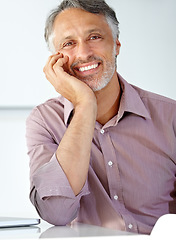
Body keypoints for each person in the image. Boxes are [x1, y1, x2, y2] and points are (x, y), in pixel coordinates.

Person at [26, 0, 176, 235]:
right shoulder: (44, 121)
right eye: (69, 43)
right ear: (55, 58)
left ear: (116, 45)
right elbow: (56, 212)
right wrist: (85, 104)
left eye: (94, 37)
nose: (83, 53)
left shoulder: (170, 116)